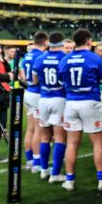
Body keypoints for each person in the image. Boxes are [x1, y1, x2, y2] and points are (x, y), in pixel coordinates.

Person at [58, 29, 102, 192]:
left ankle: (69, 180)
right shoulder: (94, 58)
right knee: (98, 144)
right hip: (90, 102)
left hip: (71, 103)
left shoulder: (65, 59)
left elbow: (60, 80)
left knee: (71, 143)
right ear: (88, 41)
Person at [31, 32, 68, 182]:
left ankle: (44, 170)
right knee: (59, 137)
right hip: (59, 98)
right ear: (62, 42)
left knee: (44, 137)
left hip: (43, 99)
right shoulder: (64, 58)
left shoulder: (40, 58)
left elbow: (34, 80)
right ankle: (56, 173)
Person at [20, 33, 48, 173]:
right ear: (45, 42)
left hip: (28, 92)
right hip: (37, 93)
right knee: (38, 129)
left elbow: (23, 76)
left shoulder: (27, 56)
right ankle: (37, 163)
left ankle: (30, 159)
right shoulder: (41, 56)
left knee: (30, 128)